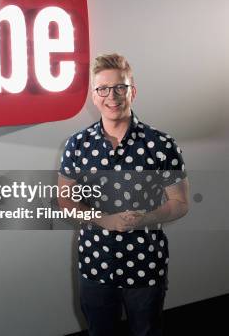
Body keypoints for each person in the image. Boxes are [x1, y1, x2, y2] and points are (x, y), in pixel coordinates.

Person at [57, 53, 189, 336]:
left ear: (133, 91)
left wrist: (145, 218)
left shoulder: (162, 144)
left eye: (120, 87)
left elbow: (179, 203)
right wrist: (103, 219)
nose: (112, 96)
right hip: (95, 263)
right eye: (103, 89)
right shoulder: (77, 145)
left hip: (146, 265)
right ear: (94, 96)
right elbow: (64, 199)